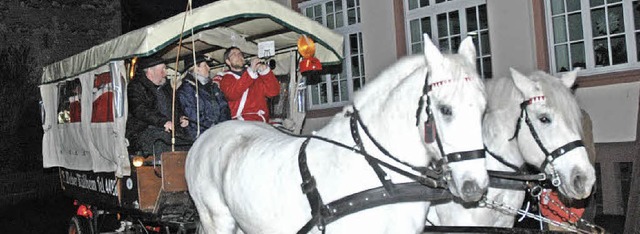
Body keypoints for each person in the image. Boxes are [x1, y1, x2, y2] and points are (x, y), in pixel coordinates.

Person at [126, 56, 191, 156]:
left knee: (191, 146)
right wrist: (163, 122)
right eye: (163, 69)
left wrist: (180, 117)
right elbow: (140, 110)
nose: (165, 73)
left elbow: (176, 107)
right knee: (165, 148)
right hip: (145, 132)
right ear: (150, 71)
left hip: (168, 133)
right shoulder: (136, 86)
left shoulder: (166, 88)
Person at [219, 47, 280, 123]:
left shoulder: (256, 77)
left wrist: (265, 72)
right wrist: (250, 72)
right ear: (228, 61)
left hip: (262, 121)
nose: (238, 56)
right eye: (234, 54)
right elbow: (232, 94)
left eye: (240, 54)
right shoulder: (226, 78)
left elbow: (273, 92)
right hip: (241, 121)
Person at [177, 54, 231, 139]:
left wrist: (223, 126)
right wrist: (213, 127)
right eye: (205, 65)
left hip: (219, 132)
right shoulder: (186, 90)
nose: (209, 68)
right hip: (200, 136)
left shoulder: (213, 87)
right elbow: (192, 116)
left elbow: (224, 107)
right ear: (196, 69)